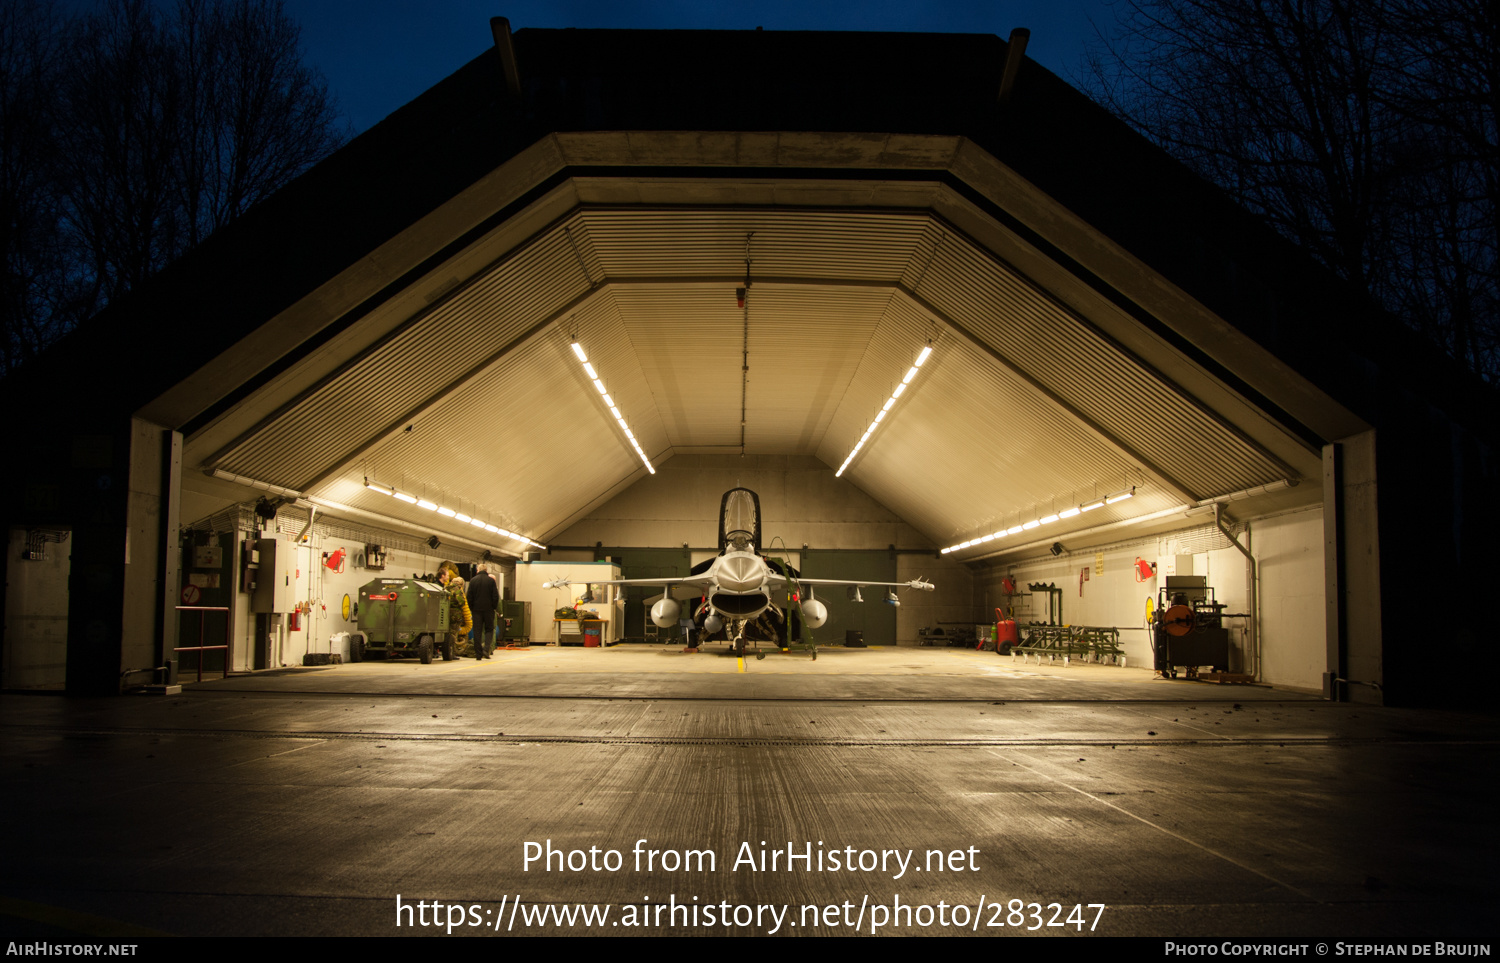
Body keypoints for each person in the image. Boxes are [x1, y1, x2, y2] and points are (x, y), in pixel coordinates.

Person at [436, 561, 472, 660]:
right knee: (453, 635)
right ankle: (451, 653)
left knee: (447, 634)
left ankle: (447, 652)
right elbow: (461, 602)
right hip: (455, 615)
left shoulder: (446, 588)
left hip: (446, 614)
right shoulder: (457, 590)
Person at [467, 562, 501, 659]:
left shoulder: (473, 581)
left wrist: (472, 608)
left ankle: (478, 654)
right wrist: (493, 607)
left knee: (477, 631)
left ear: (478, 570)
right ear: (486, 571)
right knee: (489, 629)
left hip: (476, 610)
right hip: (489, 610)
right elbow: (495, 596)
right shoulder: (491, 581)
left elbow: (469, 596)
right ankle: (486, 649)